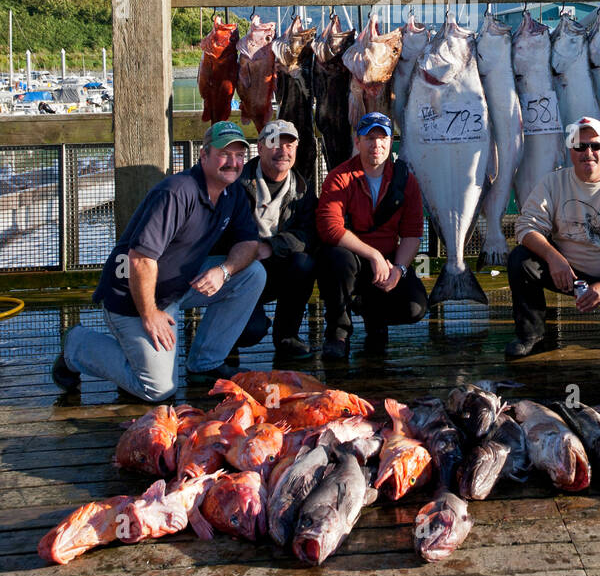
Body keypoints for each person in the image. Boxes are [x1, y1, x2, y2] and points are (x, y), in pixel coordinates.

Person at [52, 121, 264, 400]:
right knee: (158, 389)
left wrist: (223, 271)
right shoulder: (177, 192)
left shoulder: (233, 192)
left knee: (253, 274)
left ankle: (205, 363)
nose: (233, 162)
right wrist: (149, 313)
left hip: (178, 285)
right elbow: (140, 259)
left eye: (239, 155)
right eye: (224, 154)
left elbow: (249, 243)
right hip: (133, 296)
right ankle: (77, 346)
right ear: (204, 156)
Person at [504, 116, 600, 360]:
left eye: (595, 146)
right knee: (520, 260)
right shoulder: (552, 182)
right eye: (580, 146)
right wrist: (554, 258)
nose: (588, 152)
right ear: (570, 152)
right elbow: (525, 227)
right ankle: (531, 334)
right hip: (564, 272)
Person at [315, 111, 428, 359]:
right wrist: (373, 254)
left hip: (388, 261)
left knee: (415, 308)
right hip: (353, 258)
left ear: (390, 142)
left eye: (382, 138)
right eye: (369, 138)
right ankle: (338, 332)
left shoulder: (406, 180)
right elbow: (329, 227)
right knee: (335, 259)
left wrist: (399, 269)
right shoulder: (339, 177)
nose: (376, 145)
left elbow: (412, 233)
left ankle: (372, 313)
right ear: (358, 142)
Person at [233, 119, 318, 364]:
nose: (283, 151)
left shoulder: (302, 189)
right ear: (259, 148)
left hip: (277, 265)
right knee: (250, 331)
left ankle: (287, 337)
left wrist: (272, 246)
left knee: (304, 263)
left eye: (289, 145)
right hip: (241, 269)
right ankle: (226, 342)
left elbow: (309, 233)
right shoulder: (238, 183)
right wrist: (248, 249)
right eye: (274, 144)